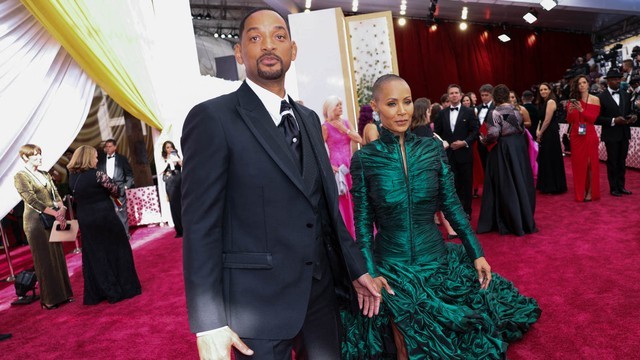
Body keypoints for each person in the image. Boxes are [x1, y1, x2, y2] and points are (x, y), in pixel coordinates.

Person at [180, 8, 380, 360]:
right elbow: (200, 227)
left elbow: (326, 209)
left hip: (319, 297)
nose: (268, 45)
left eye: (279, 36)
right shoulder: (213, 118)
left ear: (293, 50)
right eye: (255, 38)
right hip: (255, 309)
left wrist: (355, 269)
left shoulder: (307, 118)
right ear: (239, 53)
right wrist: (208, 322)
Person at [342, 74, 540, 359]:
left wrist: (477, 252)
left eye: (407, 102)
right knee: (404, 343)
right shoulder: (364, 159)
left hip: (436, 261)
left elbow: (452, 206)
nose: (401, 111)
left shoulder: (432, 149)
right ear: (375, 106)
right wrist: (371, 272)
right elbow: (361, 224)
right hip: (391, 267)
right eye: (391, 103)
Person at [68, 146, 141, 305]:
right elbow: (116, 191)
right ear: (88, 158)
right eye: (94, 157)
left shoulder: (73, 178)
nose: (96, 160)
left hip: (86, 220)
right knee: (119, 250)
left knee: (96, 255)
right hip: (104, 217)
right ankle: (126, 288)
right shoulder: (98, 174)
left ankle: (103, 291)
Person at [13, 144, 73, 310]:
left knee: (58, 256)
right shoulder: (20, 176)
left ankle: (65, 294)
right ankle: (49, 300)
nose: (39, 157)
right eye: (35, 155)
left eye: (40, 154)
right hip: (35, 222)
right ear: (25, 158)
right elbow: (32, 200)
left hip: (53, 216)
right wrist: (55, 214)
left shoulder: (45, 173)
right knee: (44, 260)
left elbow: (56, 194)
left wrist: (61, 209)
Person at [477, 85, 538, 236]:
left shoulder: (495, 113)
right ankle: (523, 218)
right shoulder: (517, 111)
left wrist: (483, 140)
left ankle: (511, 220)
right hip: (518, 149)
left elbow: (493, 134)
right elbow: (522, 129)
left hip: (503, 151)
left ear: (495, 97)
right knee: (520, 182)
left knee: (506, 184)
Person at [412, 97, 457, 239]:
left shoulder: (420, 129)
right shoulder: (422, 130)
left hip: (429, 169)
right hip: (429, 170)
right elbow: (431, 149)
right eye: (429, 109)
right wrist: (442, 144)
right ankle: (448, 230)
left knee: (436, 201)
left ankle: (448, 230)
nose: (431, 112)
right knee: (438, 200)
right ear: (425, 111)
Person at [434, 84, 479, 218]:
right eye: (451, 93)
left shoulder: (469, 112)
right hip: (448, 156)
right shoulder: (442, 113)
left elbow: (475, 131)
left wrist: (464, 142)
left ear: (460, 95)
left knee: (466, 184)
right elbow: (436, 132)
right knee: (452, 184)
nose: (454, 95)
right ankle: (455, 213)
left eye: (456, 93)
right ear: (448, 96)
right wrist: (444, 143)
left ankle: (467, 211)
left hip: (465, 154)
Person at [322, 95, 363, 238]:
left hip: (350, 165)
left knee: (355, 197)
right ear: (331, 108)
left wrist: (345, 130)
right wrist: (331, 167)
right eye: (337, 105)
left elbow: (359, 140)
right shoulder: (325, 127)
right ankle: (347, 233)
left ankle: (359, 231)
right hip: (337, 167)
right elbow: (319, 150)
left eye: (341, 104)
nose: (340, 107)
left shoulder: (346, 122)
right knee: (342, 199)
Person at [596, 68, 637, 197]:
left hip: (624, 132)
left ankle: (621, 186)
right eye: (614, 79)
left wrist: (634, 117)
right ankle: (613, 188)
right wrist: (614, 120)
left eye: (619, 79)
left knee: (622, 161)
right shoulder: (601, 97)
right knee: (612, 161)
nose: (617, 81)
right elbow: (597, 118)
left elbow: (630, 111)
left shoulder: (626, 94)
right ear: (608, 81)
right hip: (611, 133)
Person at [566, 75, 602, 202]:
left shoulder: (595, 99)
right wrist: (570, 111)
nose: (581, 85)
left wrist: (581, 110)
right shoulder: (572, 101)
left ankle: (591, 191)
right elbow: (569, 120)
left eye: (584, 82)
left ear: (588, 84)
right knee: (578, 164)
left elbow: (593, 119)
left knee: (590, 163)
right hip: (576, 135)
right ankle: (581, 190)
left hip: (589, 134)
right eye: (579, 83)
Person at [536, 82, 568, 194]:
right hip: (545, 132)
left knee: (550, 157)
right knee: (545, 158)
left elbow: (547, 120)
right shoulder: (543, 102)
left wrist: (540, 133)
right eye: (541, 90)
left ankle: (553, 186)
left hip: (550, 133)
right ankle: (547, 185)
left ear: (550, 90)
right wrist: (538, 131)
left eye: (545, 89)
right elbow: (541, 120)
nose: (543, 91)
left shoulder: (550, 101)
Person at [97, 139, 134, 234]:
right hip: (106, 192)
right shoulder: (101, 161)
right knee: (109, 214)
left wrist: (126, 186)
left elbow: (129, 174)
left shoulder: (122, 159)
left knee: (122, 213)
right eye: (106, 147)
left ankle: (126, 235)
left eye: (110, 146)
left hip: (120, 191)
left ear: (115, 147)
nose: (108, 148)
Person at [161, 141, 183, 237]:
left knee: (182, 205)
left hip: (179, 182)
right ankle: (179, 230)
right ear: (165, 149)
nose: (169, 149)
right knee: (174, 206)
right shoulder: (163, 159)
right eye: (167, 147)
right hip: (170, 184)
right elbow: (161, 171)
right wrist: (167, 161)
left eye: (171, 147)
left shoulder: (176, 155)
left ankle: (186, 228)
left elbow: (182, 165)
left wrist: (176, 158)